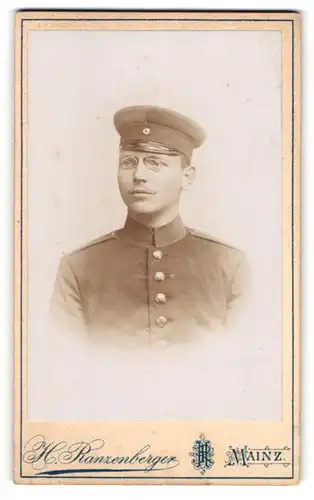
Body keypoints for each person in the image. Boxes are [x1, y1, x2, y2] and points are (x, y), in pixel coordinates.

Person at [50, 105, 249, 346]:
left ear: (187, 177)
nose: (138, 174)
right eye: (128, 162)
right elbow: (64, 363)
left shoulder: (229, 265)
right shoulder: (78, 268)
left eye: (155, 162)